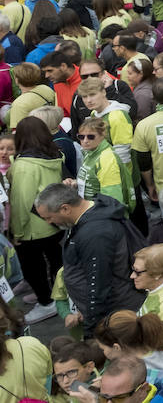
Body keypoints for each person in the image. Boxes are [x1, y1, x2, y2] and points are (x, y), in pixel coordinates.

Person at [34, 182, 143, 336]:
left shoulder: (96, 234)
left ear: (65, 208)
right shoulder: (87, 216)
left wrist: (92, 330)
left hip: (114, 315)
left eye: (49, 217)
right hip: (110, 309)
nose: (49, 223)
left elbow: (98, 284)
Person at [11, 117, 64, 323]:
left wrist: (17, 232)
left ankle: (45, 302)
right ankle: (60, 296)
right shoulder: (54, 154)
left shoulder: (24, 165)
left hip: (32, 228)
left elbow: (21, 201)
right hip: (53, 220)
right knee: (55, 260)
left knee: (33, 267)